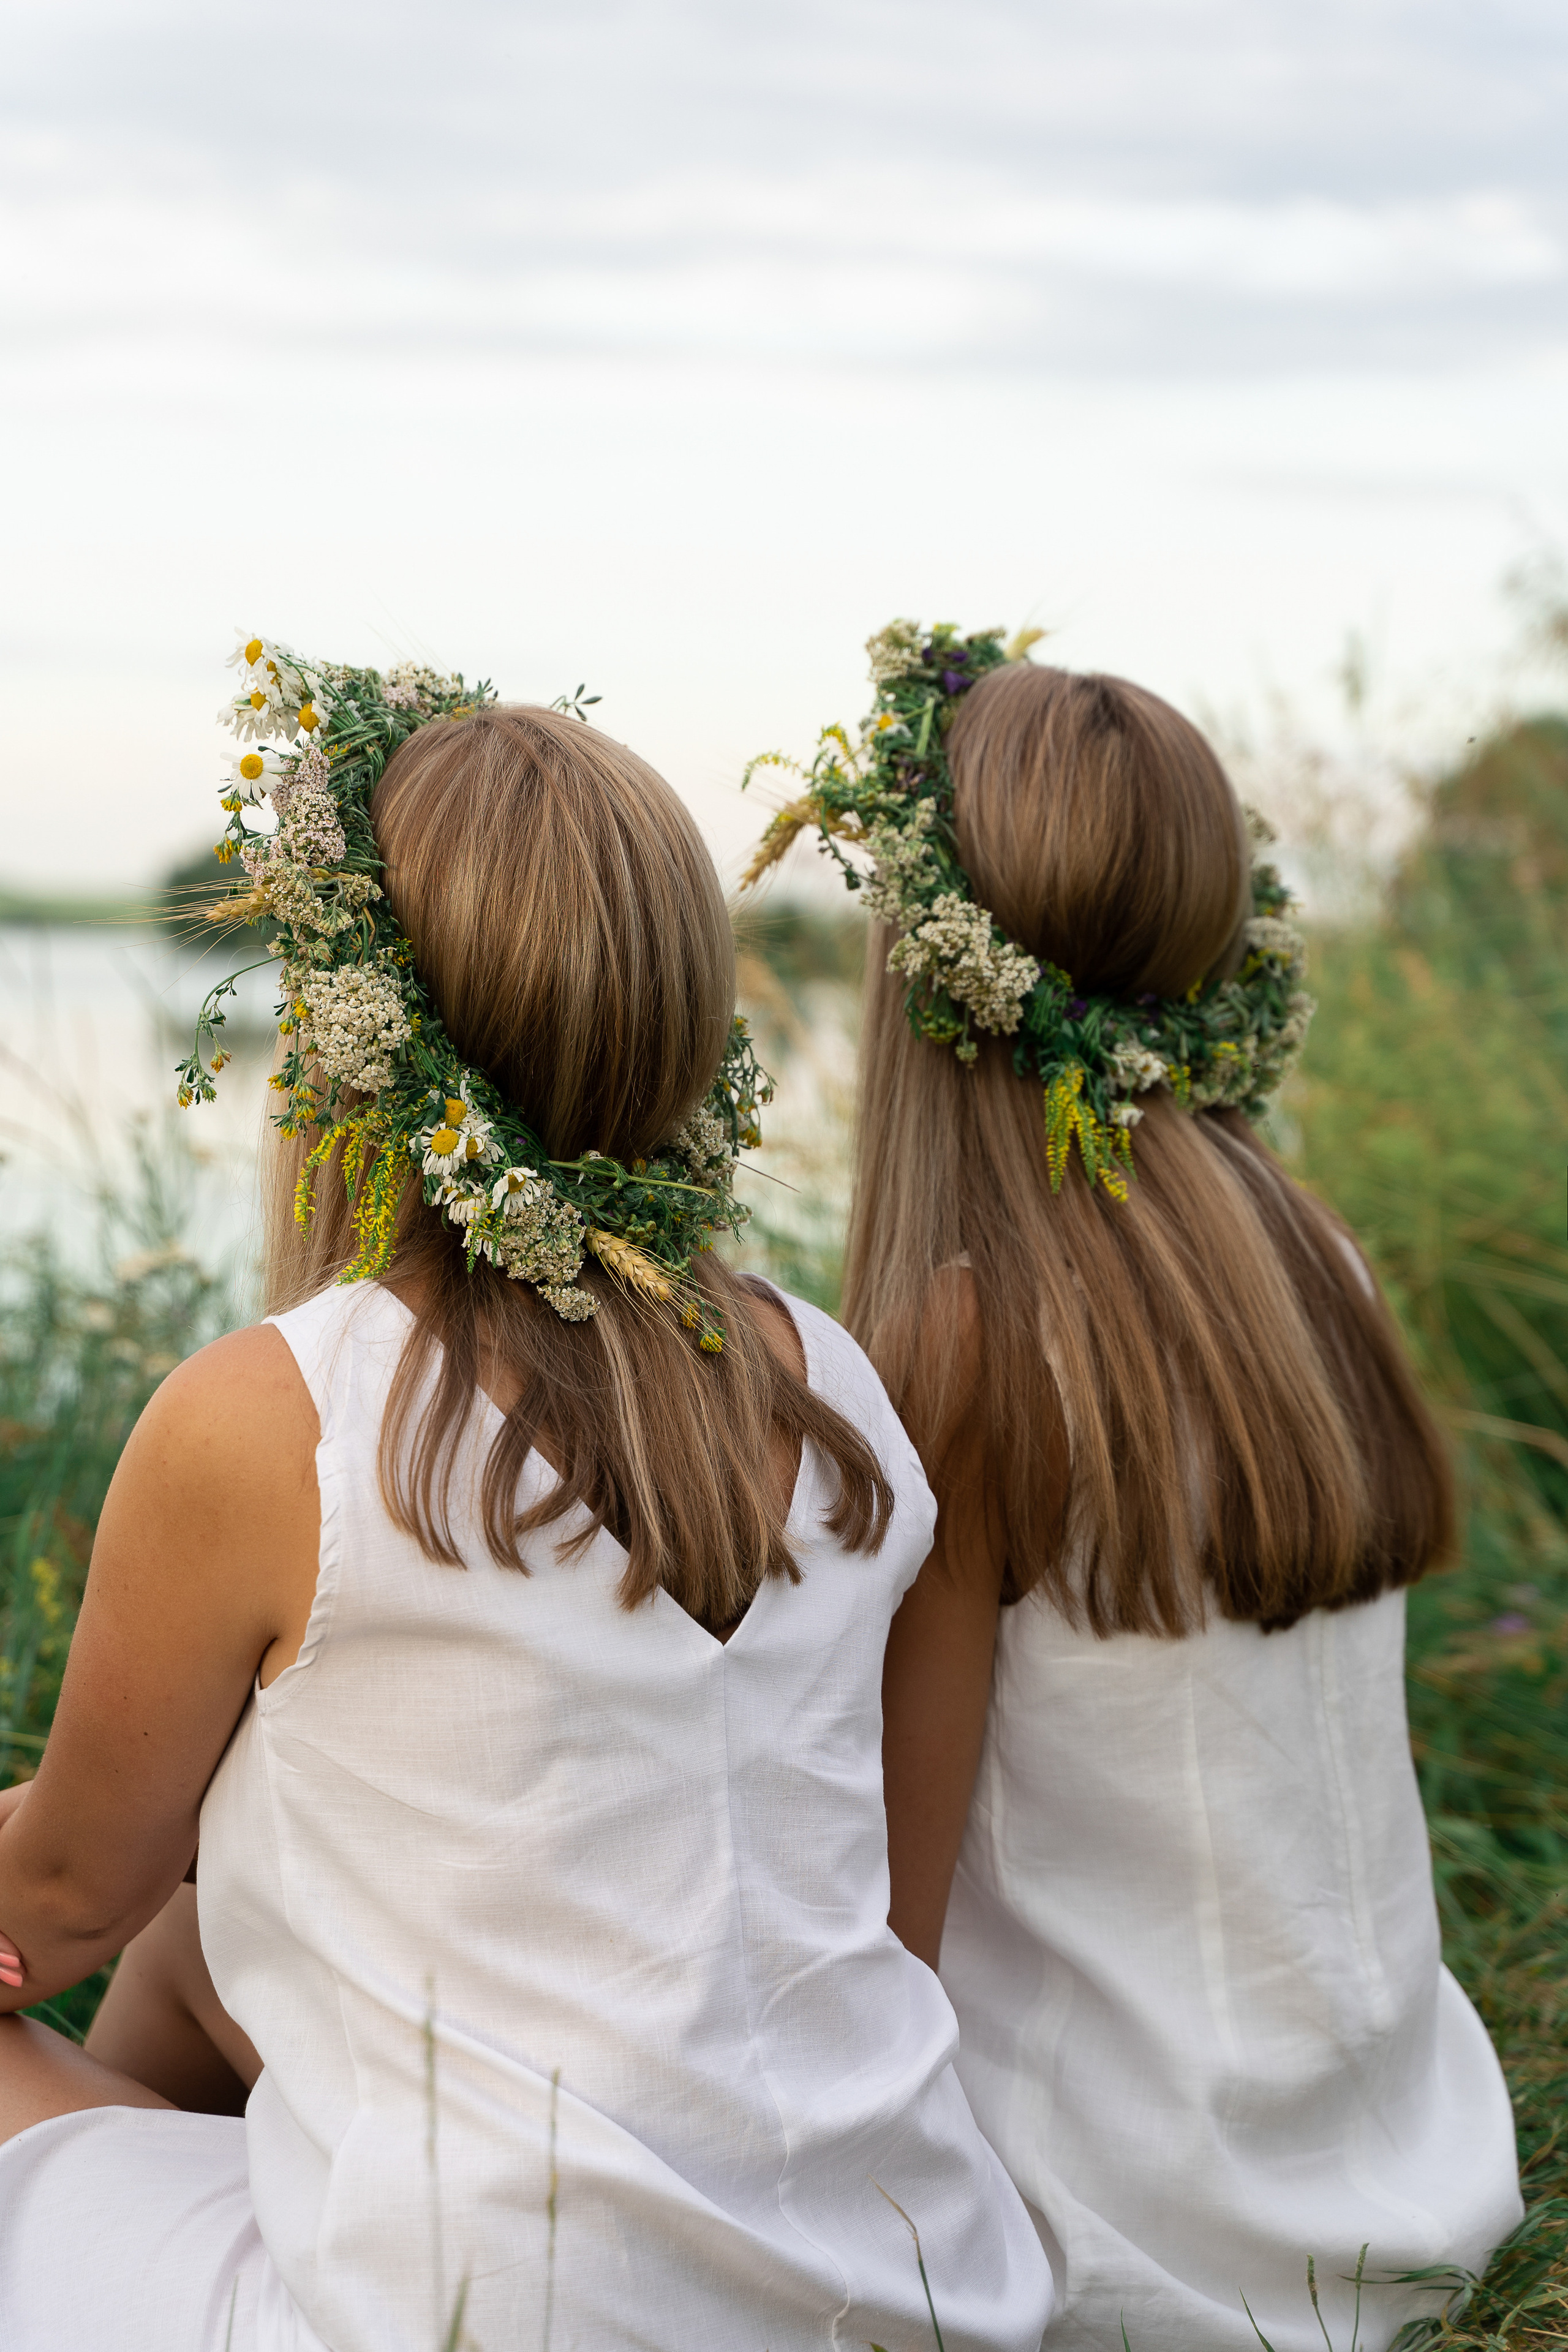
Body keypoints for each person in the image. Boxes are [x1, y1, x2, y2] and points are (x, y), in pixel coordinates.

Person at [0, 665, 1055, 2352]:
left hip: (497, 2315)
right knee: (208, 1931)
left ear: (345, 1037)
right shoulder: (840, 1387)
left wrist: (40, 1854)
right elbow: (870, 1933)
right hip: (895, 2286)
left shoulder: (275, 1416)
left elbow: (53, 1904)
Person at [791, 631, 1521, 2351]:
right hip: (1394, 2155)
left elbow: (885, 1906)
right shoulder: (1308, 1251)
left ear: (929, 957)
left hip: (1137, 2211)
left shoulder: (971, 1342)